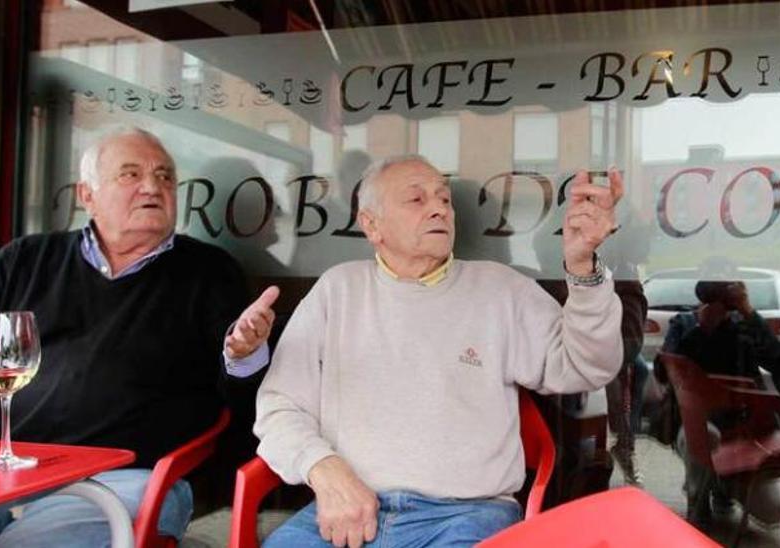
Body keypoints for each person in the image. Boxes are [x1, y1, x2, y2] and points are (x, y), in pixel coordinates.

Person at [0, 127, 277, 548]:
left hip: (123, 479)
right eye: (131, 174)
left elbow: (244, 398)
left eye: (165, 177)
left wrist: (243, 355)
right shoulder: (24, 260)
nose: (153, 186)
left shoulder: (209, 273)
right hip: (7, 470)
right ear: (86, 195)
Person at [254, 155, 626, 547]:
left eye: (444, 200)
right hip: (349, 508)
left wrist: (583, 269)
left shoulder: (498, 290)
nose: (438, 209)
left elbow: (586, 367)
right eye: (416, 200)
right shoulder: (338, 290)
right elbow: (280, 405)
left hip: (466, 515)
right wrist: (323, 469)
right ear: (372, 225)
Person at [662, 279, 780, 525]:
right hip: (699, 426)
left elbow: (775, 361)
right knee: (704, 437)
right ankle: (699, 498)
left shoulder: (742, 326)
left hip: (744, 430)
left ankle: (721, 486)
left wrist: (748, 311)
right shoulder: (684, 323)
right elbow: (663, 373)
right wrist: (701, 329)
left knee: (773, 513)